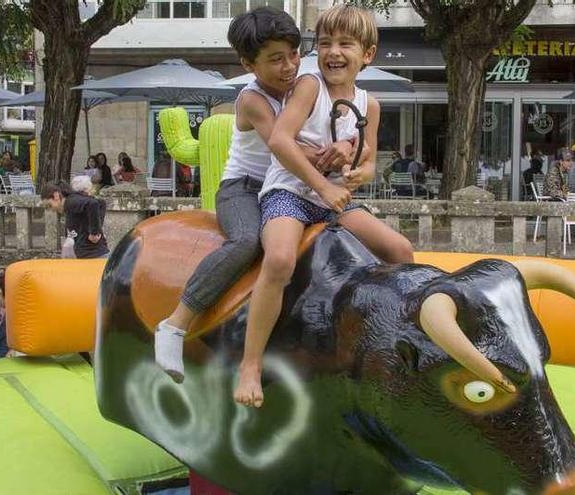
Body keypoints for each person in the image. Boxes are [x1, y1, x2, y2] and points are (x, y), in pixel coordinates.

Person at [156, 6, 356, 383]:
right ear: (249, 64)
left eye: (294, 55)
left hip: (289, 187)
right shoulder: (252, 100)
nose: (289, 66)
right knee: (248, 241)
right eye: (276, 59)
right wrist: (333, 157)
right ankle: (175, 323)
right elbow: (287, 147)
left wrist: (346, 145)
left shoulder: (306, 86)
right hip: (244, 189)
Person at [233, 5, 414, 408]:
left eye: (345, 44)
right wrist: (323, 186)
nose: (333, 51)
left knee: (400, 250)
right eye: (326, 42)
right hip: (291, 194)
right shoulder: (309, 87)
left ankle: (396, 342)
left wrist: (354, 172)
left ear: (367, 54)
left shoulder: (370, 104)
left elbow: (368, 164)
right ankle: (250, 364)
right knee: (279, 259)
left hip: (335, 200)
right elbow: (281, 140)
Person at [41, 177, 109, 259]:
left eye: (49, 205)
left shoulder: (71, 202)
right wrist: (97, 228)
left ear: (56, 196)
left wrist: (94, 232)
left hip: (94, 256)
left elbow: (93, 204)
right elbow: (101, 203)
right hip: (89, 256)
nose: (51, 210)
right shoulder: (70, 204)